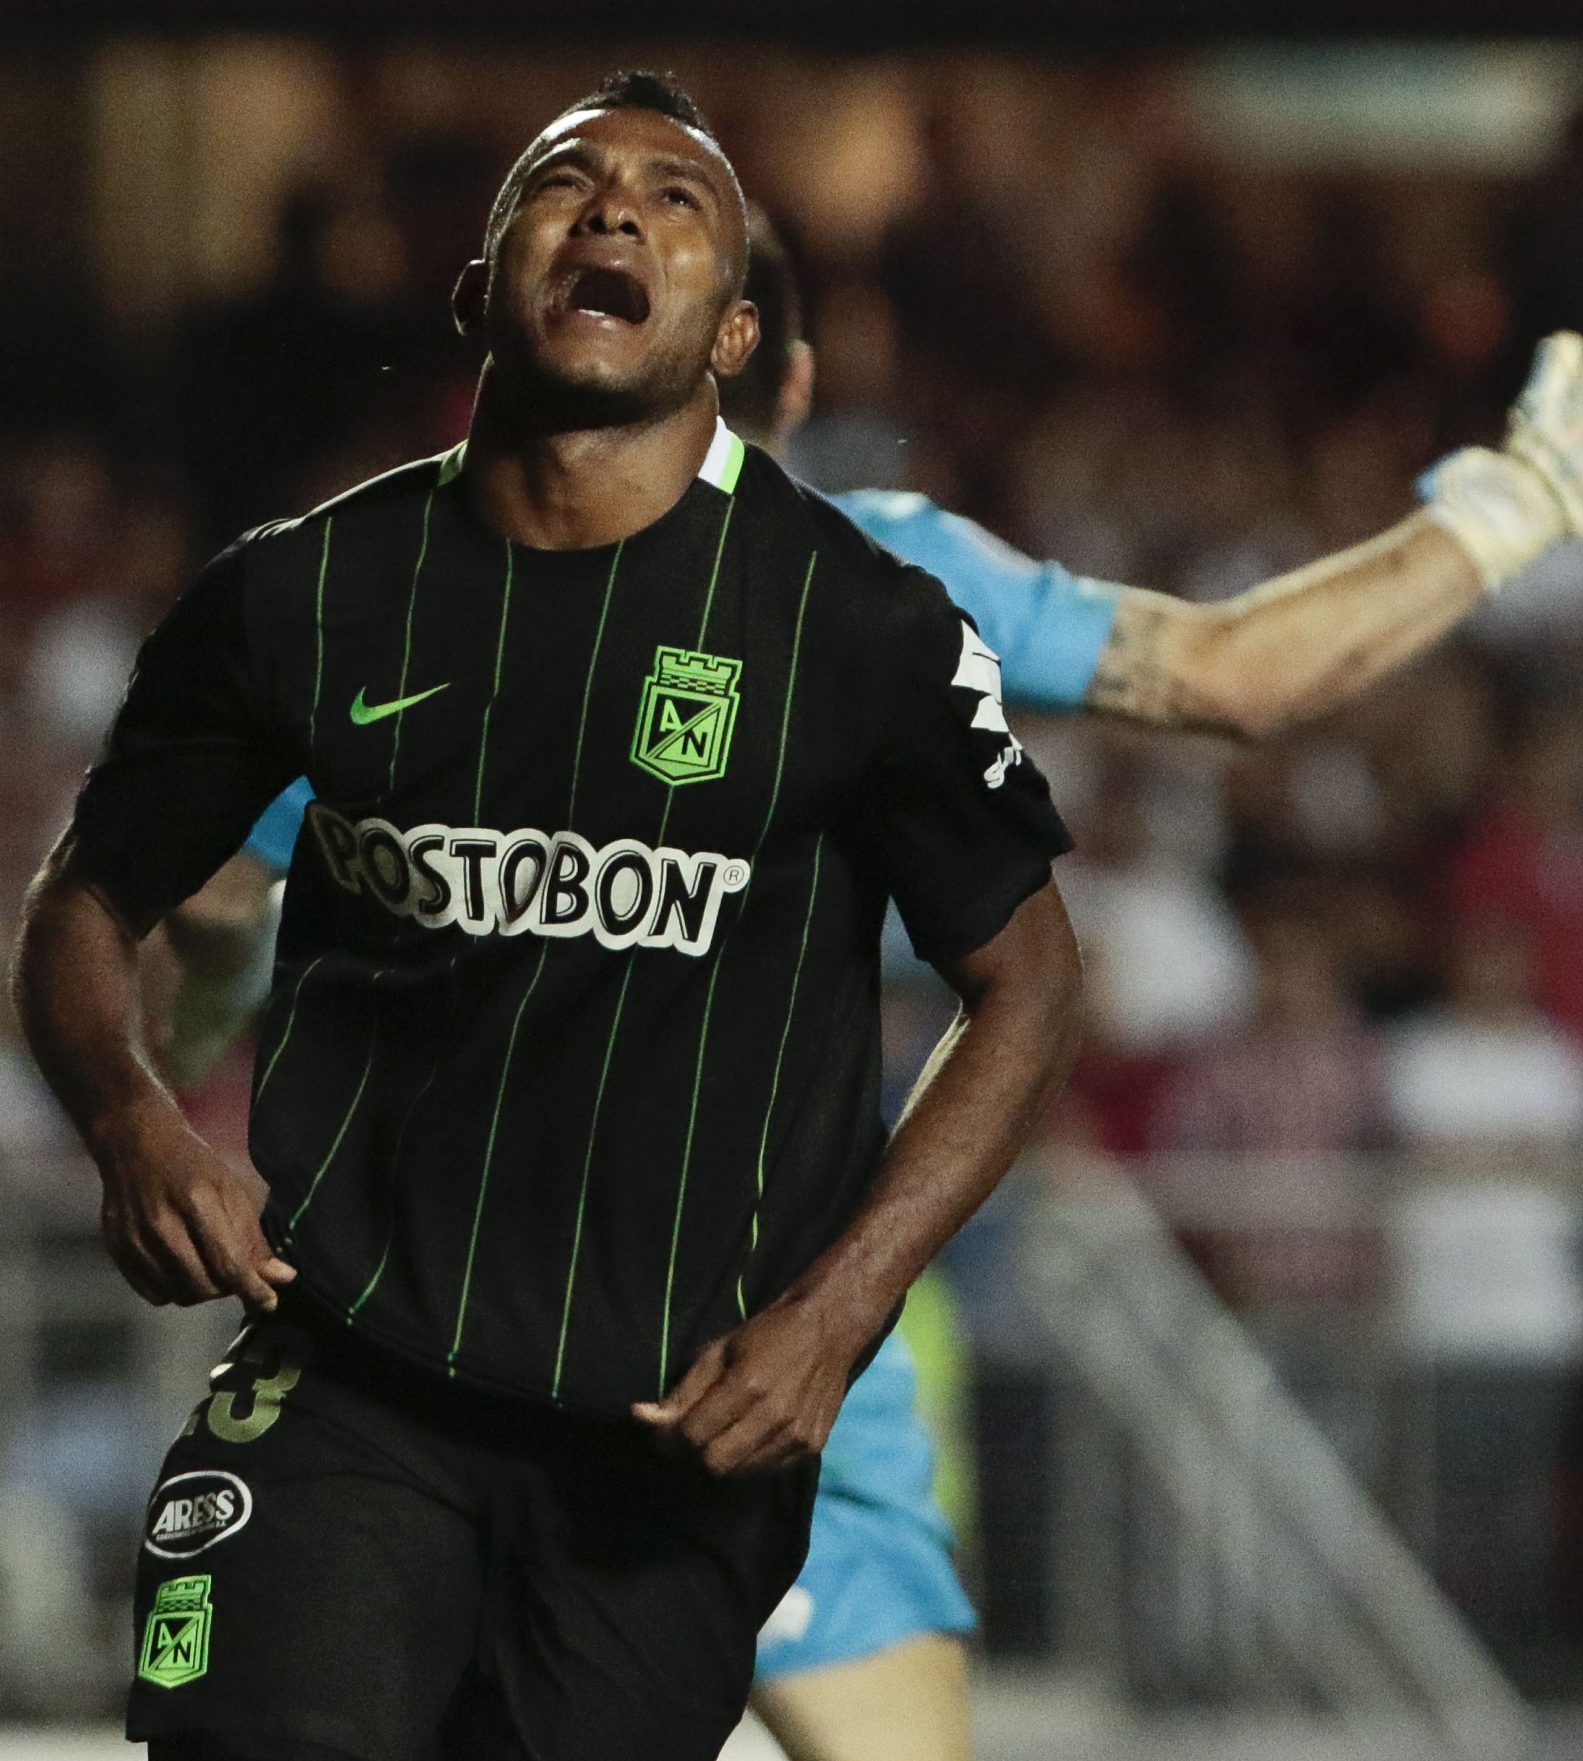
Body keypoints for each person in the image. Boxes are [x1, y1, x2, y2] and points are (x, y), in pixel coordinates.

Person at [152, 209, 1583, 1759]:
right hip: (759, 1339)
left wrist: (216, 1011)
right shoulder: (875, 566)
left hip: (512, 1335)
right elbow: (1235, 670)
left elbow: (214, 900)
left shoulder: (428, 588)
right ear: (787, 384)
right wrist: (1523, 498)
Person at [10, 72, 1088, 1761]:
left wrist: (835, 1314)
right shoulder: (297, 595)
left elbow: (1027, 985)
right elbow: (81, 903)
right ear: (477, 285)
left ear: (733, 335)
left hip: (665, 1444)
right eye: (567, 183)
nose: (614, 211)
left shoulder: (861, 631)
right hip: (346, 1379)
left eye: (677, 200)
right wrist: (133, 1123)